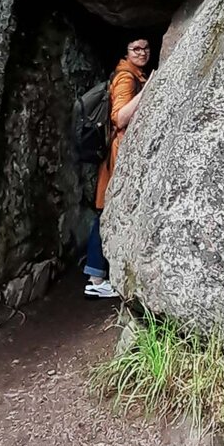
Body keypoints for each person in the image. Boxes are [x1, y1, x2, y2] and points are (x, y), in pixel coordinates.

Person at [84, 38, 151, 299]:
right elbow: (120, 116)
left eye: (145, 48)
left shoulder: (134, 74)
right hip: (118, 156)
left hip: (119, 155)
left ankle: (97, 274)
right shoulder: (126, 77)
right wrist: (146, 93)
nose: (142, 53)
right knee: (105, 213)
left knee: (107, 212)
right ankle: (95, 278)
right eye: (136, 49)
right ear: (126, 53)